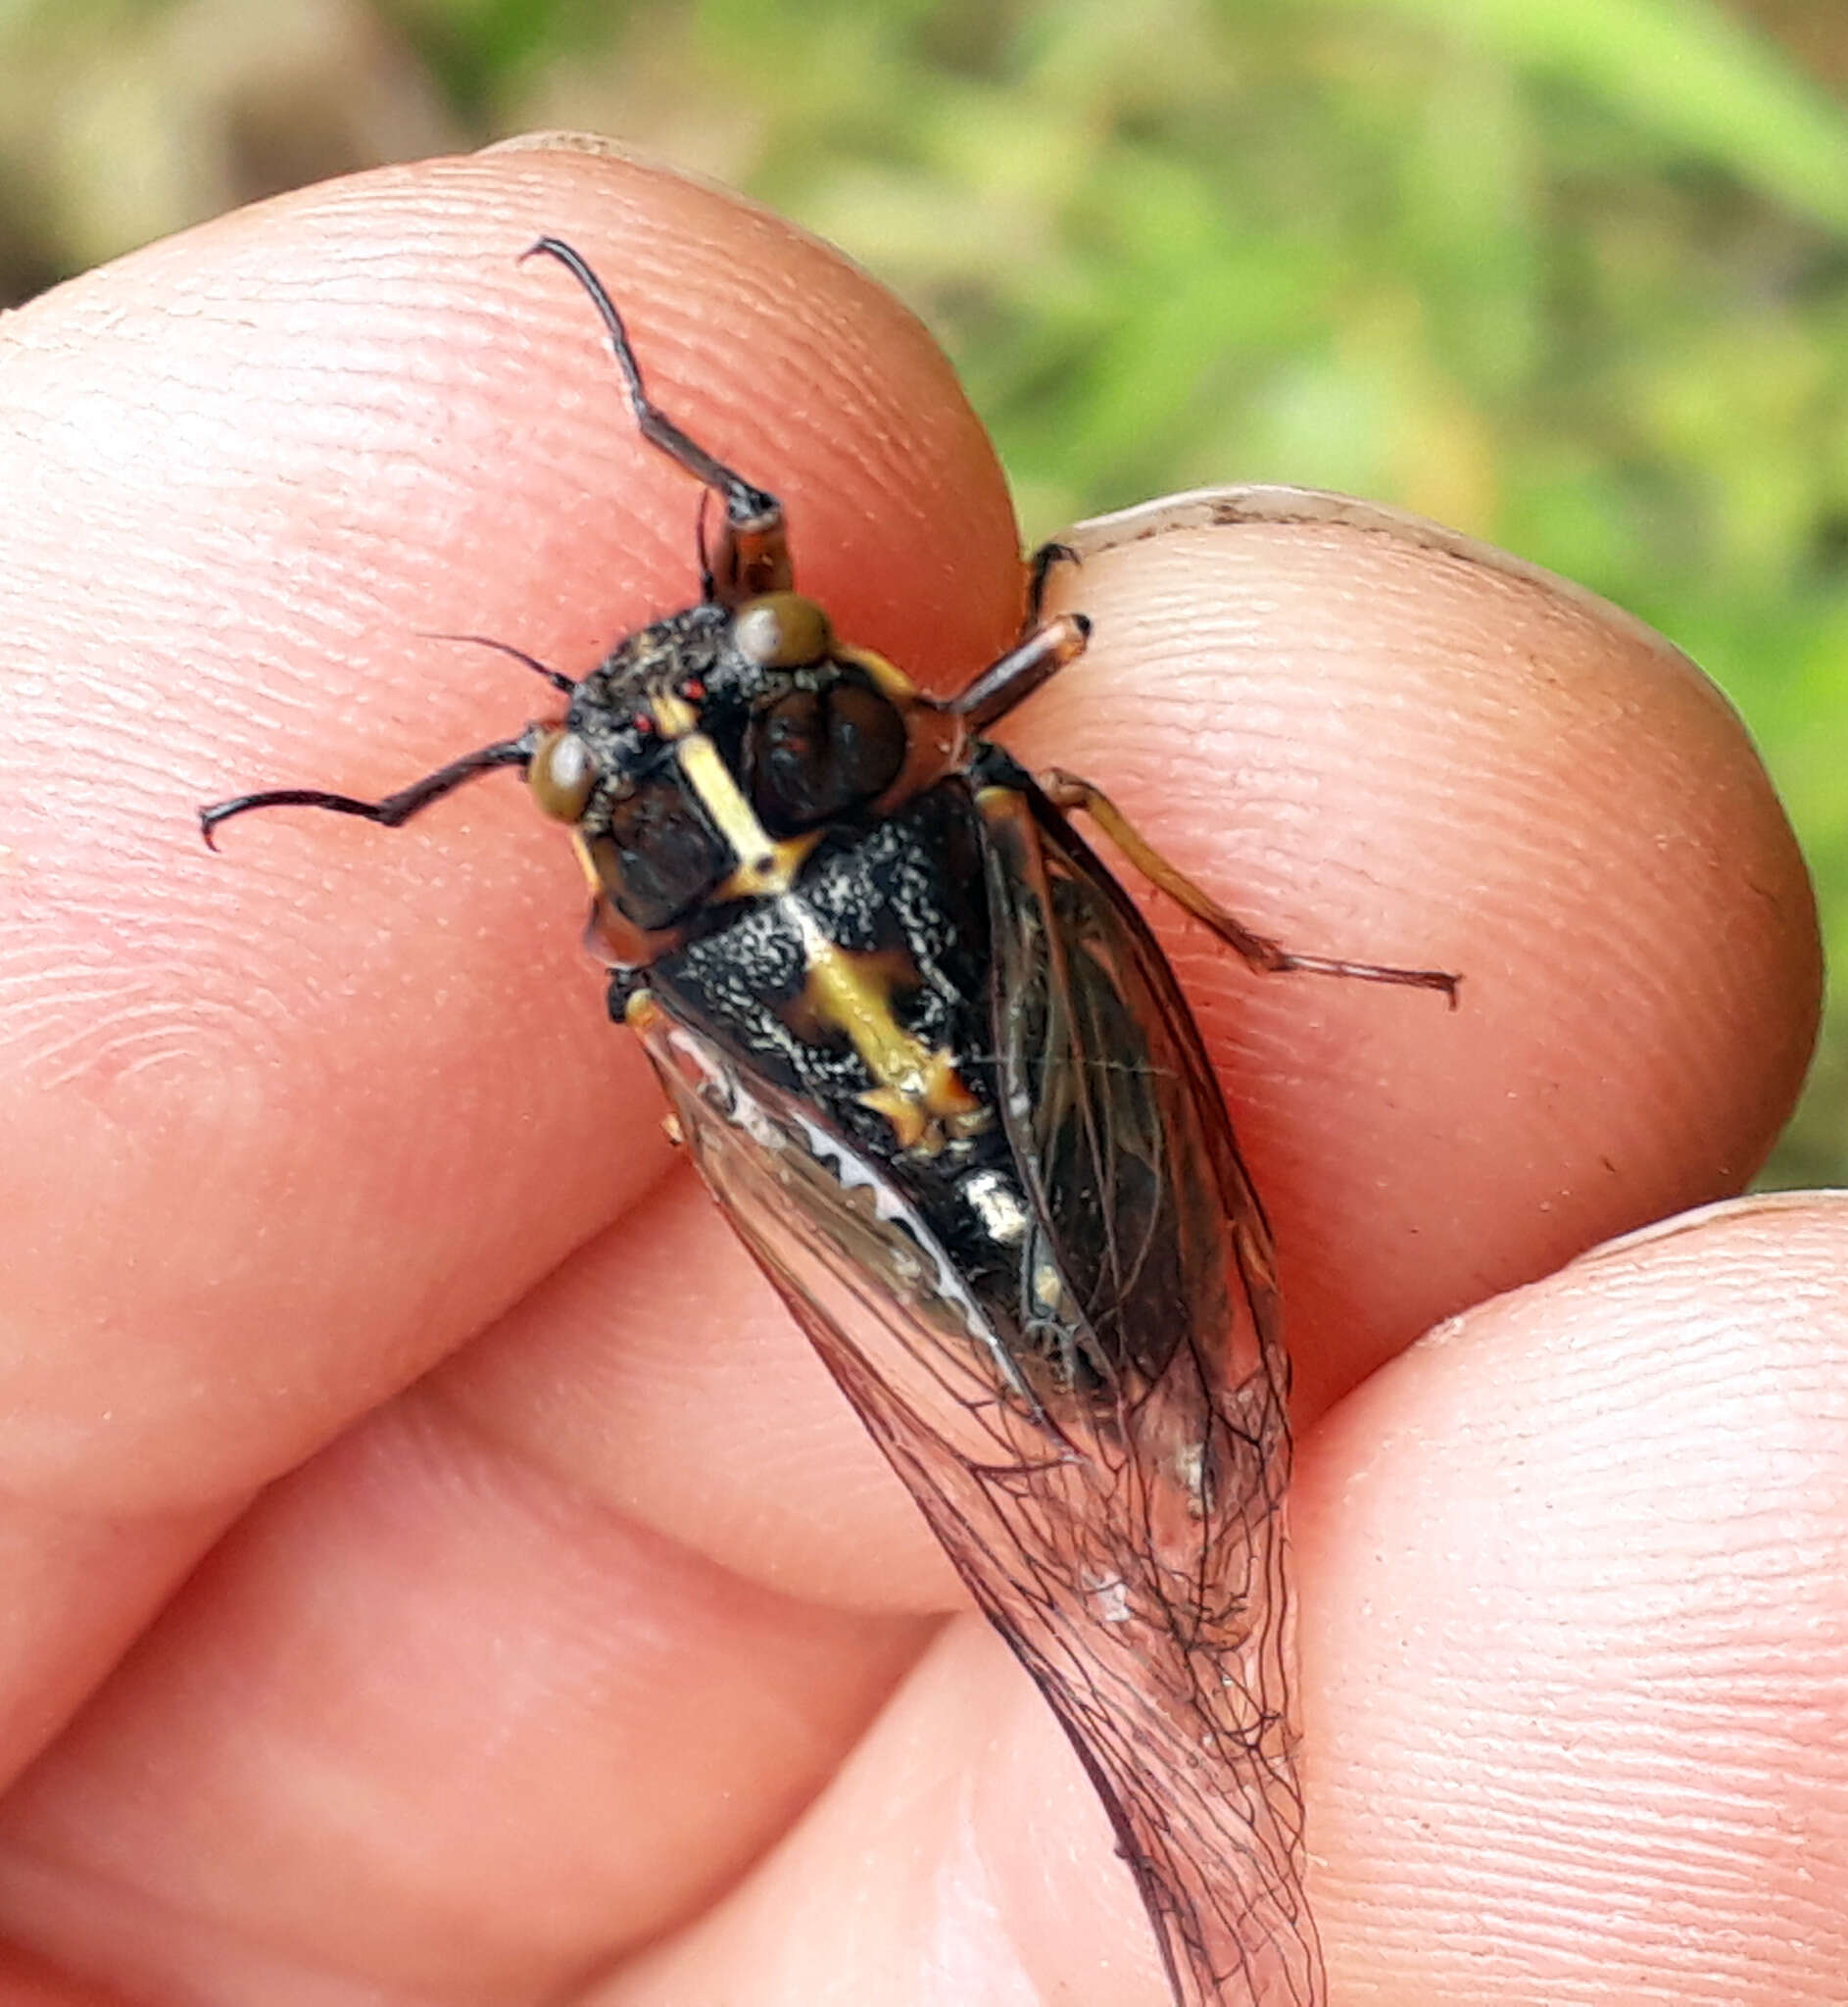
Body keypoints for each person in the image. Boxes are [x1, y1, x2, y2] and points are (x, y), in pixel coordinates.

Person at [0, 136, 1838, 2005]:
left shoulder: (651, 970)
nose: (662, 707)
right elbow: (902, 600)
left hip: (936, 1185)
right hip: (1018, 1142)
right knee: (1076, 795)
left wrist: (461, 785)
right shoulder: (949, 757)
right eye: (592, 762)